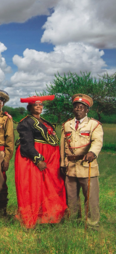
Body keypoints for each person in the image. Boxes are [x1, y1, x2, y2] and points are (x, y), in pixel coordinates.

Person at [15, 95, 66, 229]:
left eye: (41, 105)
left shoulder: (44, 121)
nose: (39, 107)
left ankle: (49, 216)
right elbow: (26, 143)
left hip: (50, 160)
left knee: (49, 188)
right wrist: (38, 159)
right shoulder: (25, 122)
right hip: (34, 159)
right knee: (33, 188)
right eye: (36, 105)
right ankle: (32, 217)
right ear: (30, 107)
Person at [60, 94, 103, 229]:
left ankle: (92, 224)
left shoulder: (94, 125)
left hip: (87, 165)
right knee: (71, 197)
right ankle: (73, 221)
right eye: (76, 107)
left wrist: (92, 152)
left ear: (86, 110)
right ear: (73, 109)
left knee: (91, 198)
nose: (78, 109)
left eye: (81, 107)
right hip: (71, 167)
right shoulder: (67, 125)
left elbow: (97, 141)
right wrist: (62, 163)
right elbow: (62, 145)